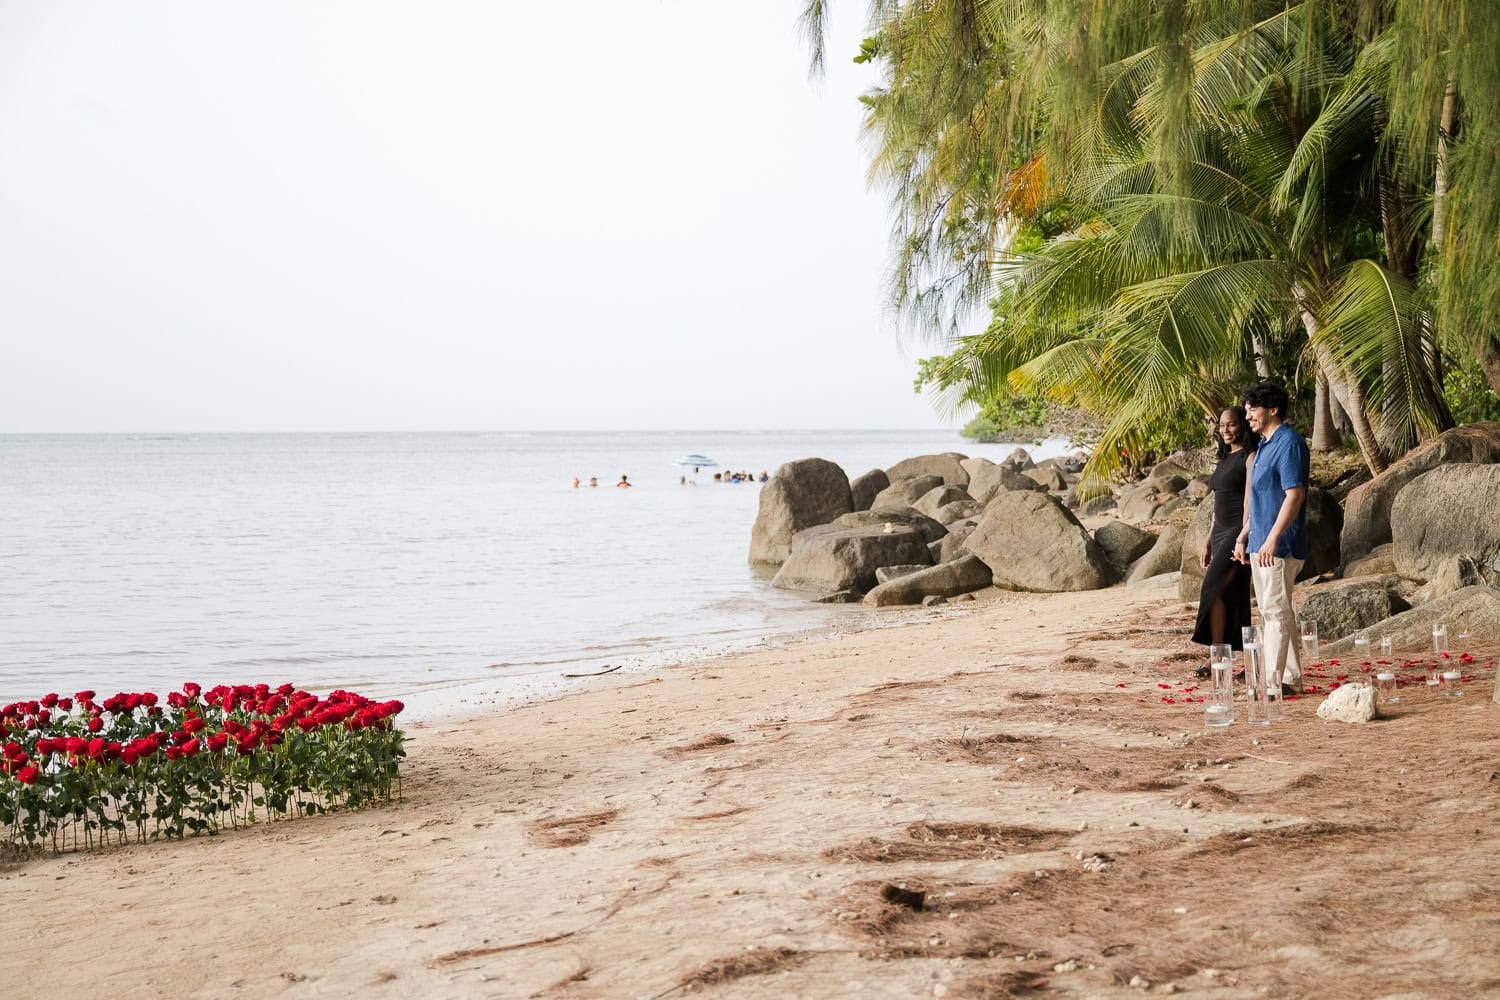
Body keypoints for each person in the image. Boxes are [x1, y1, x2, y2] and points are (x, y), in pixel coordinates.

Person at [1233, 381, 1310, 693]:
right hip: (1260, 543)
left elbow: (1295, 495)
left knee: (1274, 611)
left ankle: (1270, 683)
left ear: (1273, 409)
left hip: (1280, 545)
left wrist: (1273, 538)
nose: (1248, 414)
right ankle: (1291, 678)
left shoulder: (1289, 443)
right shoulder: (1264, 444)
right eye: (1247, 408)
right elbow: (1261, 500)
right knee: (1275, 610)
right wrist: (1244, 537)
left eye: (1254, 408)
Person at [1190, 406, 1257, 651]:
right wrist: (1208, 539)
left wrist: (1244, 535)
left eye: (1231, 424)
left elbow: (1250, 500)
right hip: (1219, 532)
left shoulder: (1250, 457)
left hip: (1238, 531)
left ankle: (1225, 654)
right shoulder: (1224, 457)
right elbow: (1218, 505)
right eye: (1221, 425)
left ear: (1243, 425)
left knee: (1212, 587)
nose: (1225, 430)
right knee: (1226, 594)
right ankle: (1219, 655)